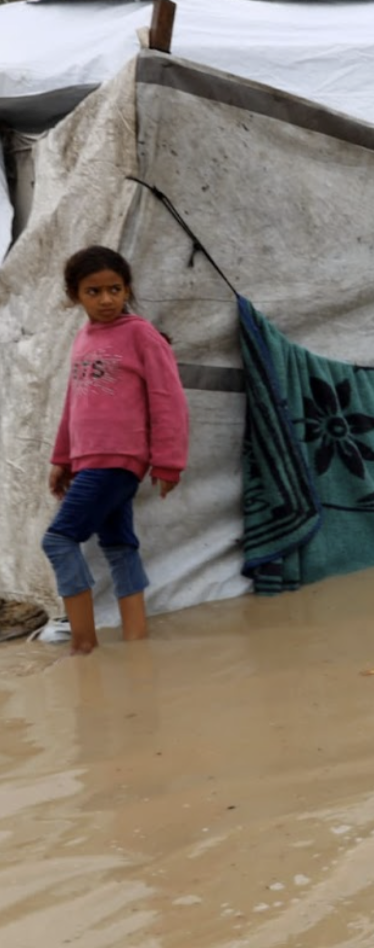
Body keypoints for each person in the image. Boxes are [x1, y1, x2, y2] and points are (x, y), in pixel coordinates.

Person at [42, 246, 189, 655]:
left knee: (58, 540)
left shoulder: (141, 334)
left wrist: (169, 461)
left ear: (127, 289)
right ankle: (136, 642)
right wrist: (62, 459)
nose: (106, 300)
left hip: (119, 458)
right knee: (119, 545)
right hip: (90, 459)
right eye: (94, 292)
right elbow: (74, 403)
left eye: (115, 289)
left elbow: (168, 398)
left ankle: (83, 649)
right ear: (75, 296)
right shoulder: (83, 338)